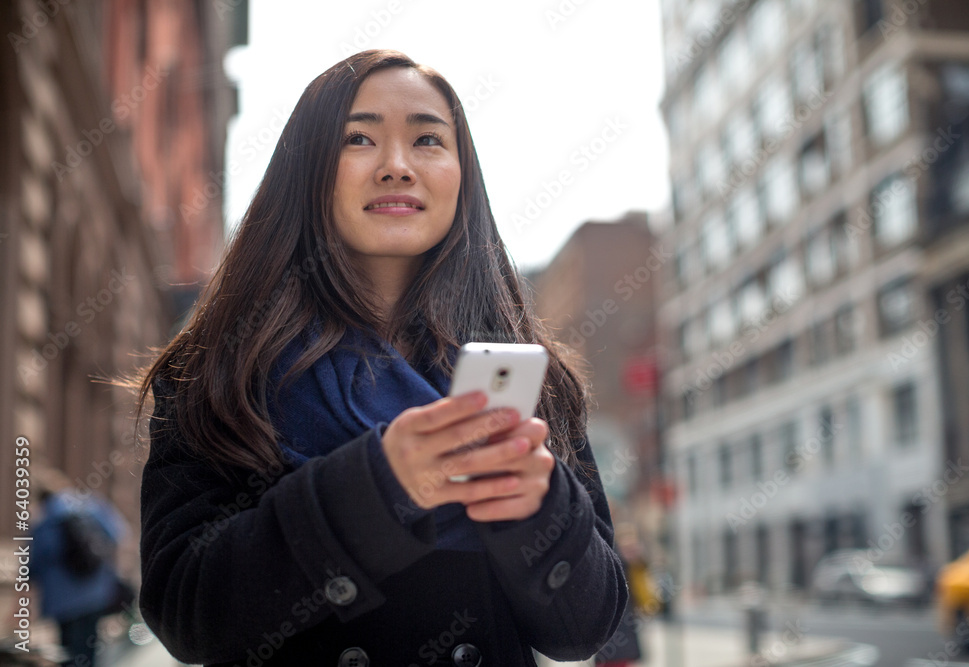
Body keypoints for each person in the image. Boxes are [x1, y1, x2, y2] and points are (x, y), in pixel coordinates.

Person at [133, 49, 627, 665]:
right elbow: (186, 615)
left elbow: (586, 630)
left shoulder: (532, 379)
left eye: (427, 139)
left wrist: (540, 510)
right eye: (359, 138)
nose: (397, 167)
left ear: (461, 175)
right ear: (308, 170)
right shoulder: (220, 368)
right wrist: (376, 489)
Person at [32, 469, 128, 666]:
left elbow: (33, 564)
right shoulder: (92, 505)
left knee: (69, 653)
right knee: (89, 649)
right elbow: (117, 533)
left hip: (62, 600)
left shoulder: (45, 521)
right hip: (96, 593)